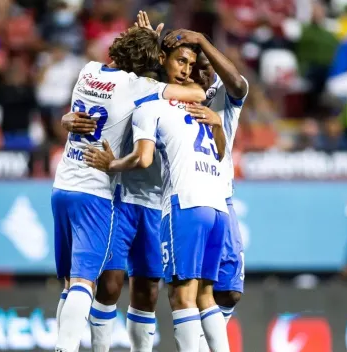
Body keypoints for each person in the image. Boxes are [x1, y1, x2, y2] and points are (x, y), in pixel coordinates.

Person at [52, 26, 206, 352]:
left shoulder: (89, 70)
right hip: (109, 193)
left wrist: (68, 118)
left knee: (87, 284)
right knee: (99, 284)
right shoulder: (141, 88)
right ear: (156, 60)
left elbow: (79, 110)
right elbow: (197, 94)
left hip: (75, 184)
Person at [84, 72, 230, 351]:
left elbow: (199, 94)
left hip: (158, 203)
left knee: (149, 290)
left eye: (190, 63)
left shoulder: (183, 103)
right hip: (121, 197)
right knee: (111, 285)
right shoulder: (136, 89)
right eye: (180, 61)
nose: (185, 70)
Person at [163, 28, 248, 352]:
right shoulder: (172, 96)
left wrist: (200, 40)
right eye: (192, 64)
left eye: (205, 65)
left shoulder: (223, 94)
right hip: (188, 195)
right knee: (191, 289)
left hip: (220, 196)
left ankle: (199, 344)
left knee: (228, 290)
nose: (198, 70)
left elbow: (239, 84)